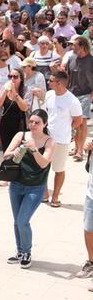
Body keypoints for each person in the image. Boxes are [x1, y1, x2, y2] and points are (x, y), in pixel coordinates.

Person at [4, 110, 55, 269]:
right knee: (17, 220)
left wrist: (33, 149)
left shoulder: (50, 142)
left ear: (45, 124)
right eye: (31, 121)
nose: (33, 125)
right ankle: (19, 251)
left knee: (22, 221)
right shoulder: (21, 136)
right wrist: (15, 152)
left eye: (37, 122)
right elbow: (5, 155)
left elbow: (43, 163)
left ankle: (27, 252)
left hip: (35, 187)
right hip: (16, 185)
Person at [44, 71, 83, 207]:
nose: (48, 82)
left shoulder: (72, 100)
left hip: (61, 140)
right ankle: (44, 195)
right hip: (46, 138)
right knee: (42, 167)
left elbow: (78, 121)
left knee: (58, 169)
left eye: (51, 80)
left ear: (59, 83)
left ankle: (55, 197)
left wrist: (66, 129)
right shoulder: (49, 95)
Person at [0, 68, 30, 154]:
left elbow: (24, 108)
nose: (12, 79)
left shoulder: (25, 90)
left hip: (19, 124)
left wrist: (15, 93)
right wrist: (5, 91)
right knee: (6, 150)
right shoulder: (5, 87)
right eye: (10, 76)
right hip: (5, 124)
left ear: (21, 78)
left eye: (15, 77)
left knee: (18, 151)